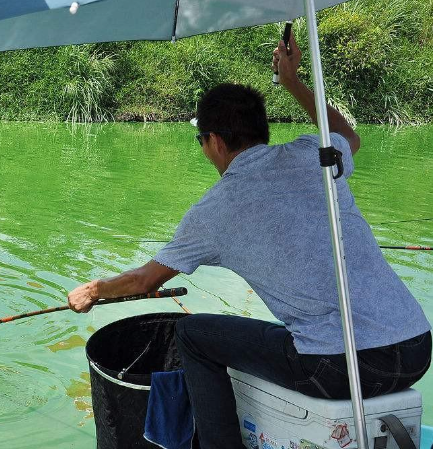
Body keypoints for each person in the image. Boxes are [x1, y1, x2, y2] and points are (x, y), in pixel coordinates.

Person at [67, 32, 431, 448]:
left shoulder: (213, 211)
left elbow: (144, 281)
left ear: (216, 142)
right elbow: (350, 135)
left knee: (193, 336)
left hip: (340, 367)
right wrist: (293, 82)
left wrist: (94, 291)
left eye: (200, 141)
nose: (204, 151)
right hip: (416, 347)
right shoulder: (312, 154)